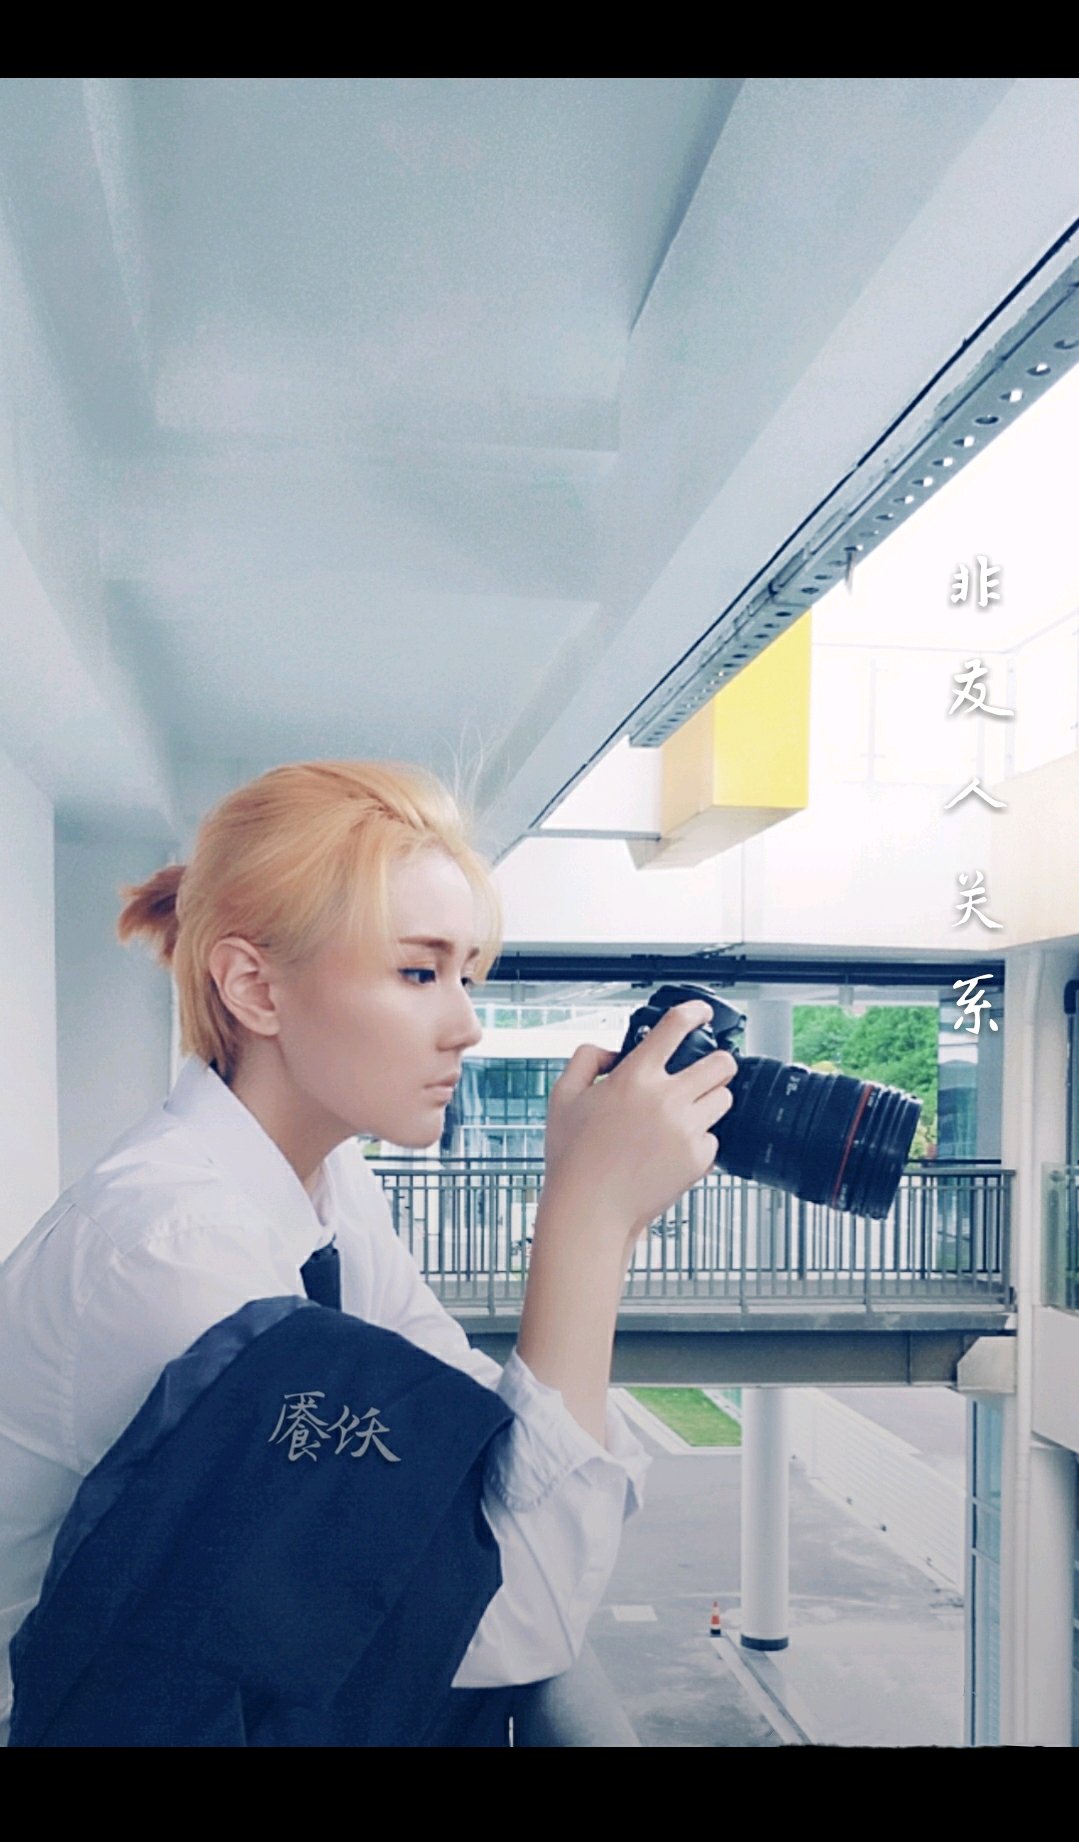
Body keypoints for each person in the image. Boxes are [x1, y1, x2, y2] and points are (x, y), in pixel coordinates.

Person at [0, 759, 738, 1745]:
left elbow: (474, 1450)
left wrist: (604, 1204)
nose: (466, 1026)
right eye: (417, 973)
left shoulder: (327, 1181)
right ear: (254, 988)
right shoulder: (175, 1258)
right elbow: (511, 1618)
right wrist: (589, 1222)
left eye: (466, 975)